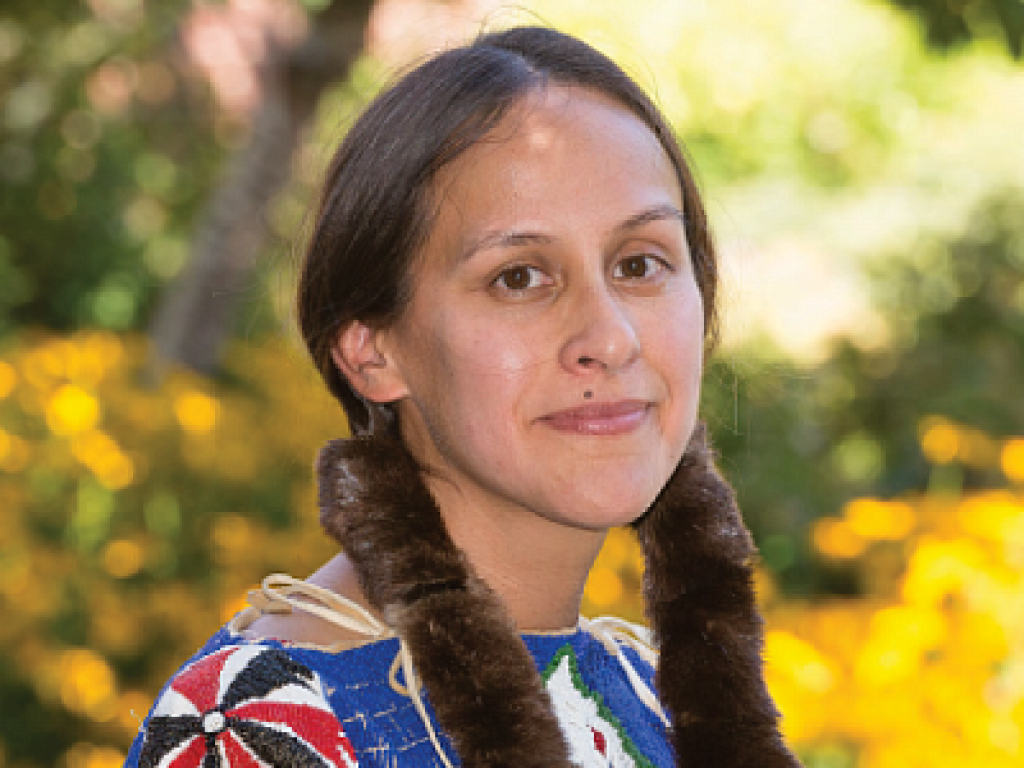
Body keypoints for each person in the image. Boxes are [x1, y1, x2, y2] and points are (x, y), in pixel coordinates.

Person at [124, 26, 801, 768]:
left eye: (640, 263)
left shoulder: (645, 702)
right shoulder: (268, 725)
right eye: (518, 277)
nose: (609, 339)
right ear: (373, 350)